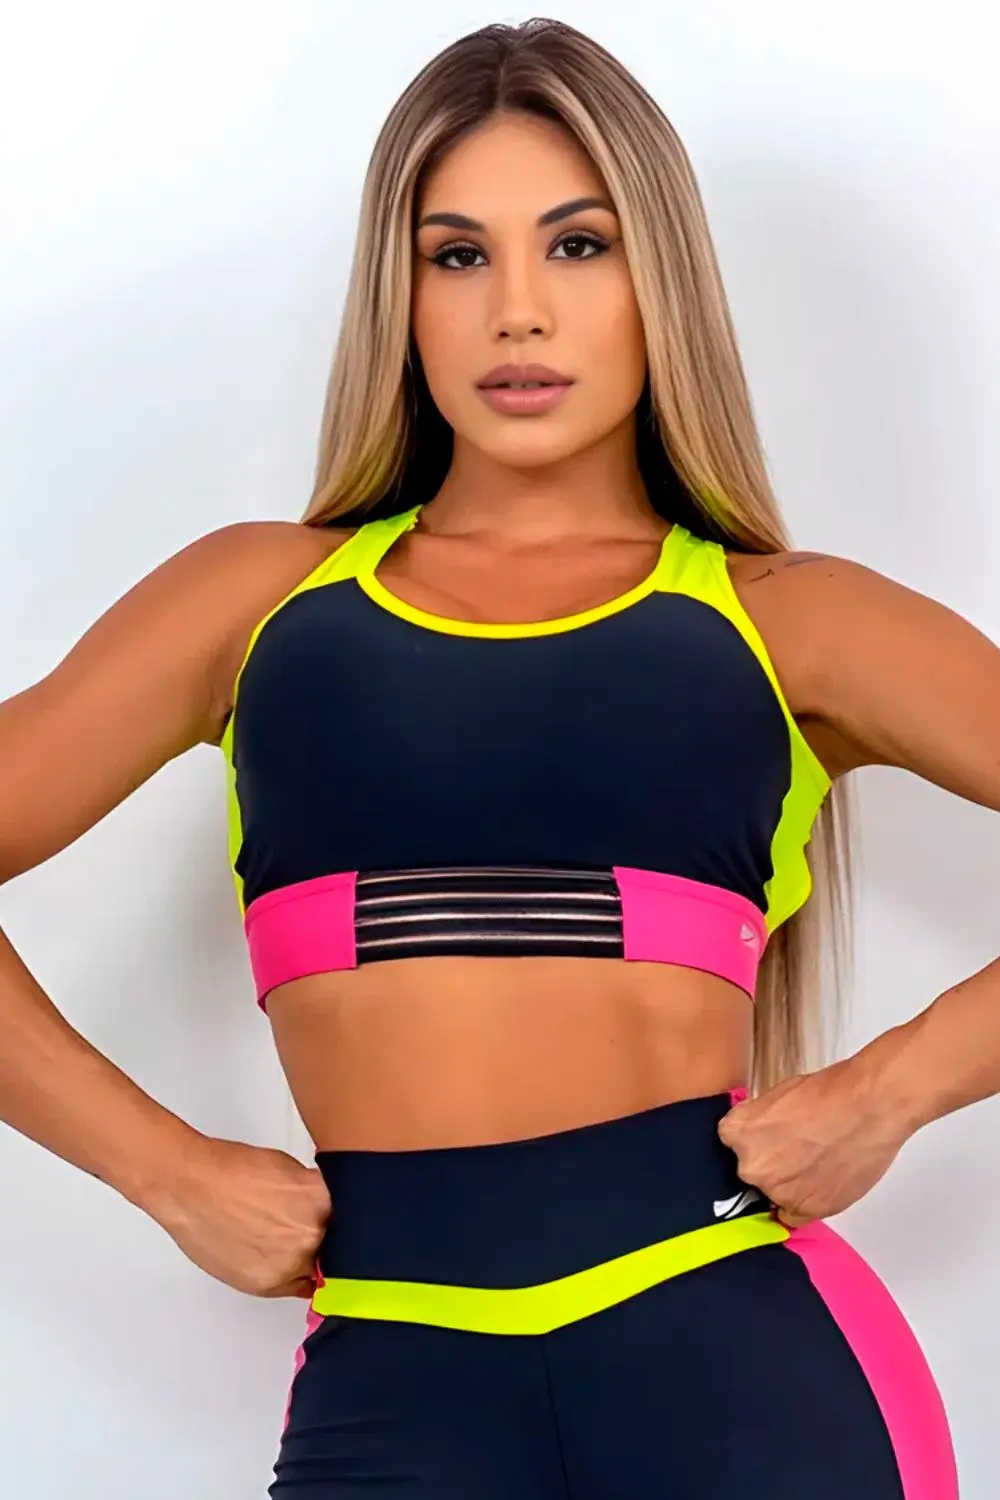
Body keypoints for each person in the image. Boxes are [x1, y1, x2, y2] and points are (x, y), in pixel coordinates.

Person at [4, 14, 997, 1497]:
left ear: (659, 280)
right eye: (457, 255)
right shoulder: (258, 604)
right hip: (392, 1385)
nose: (517, 312)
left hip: (736, 1364)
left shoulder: (791, 621)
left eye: (579, 246)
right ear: (398, 297)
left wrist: (892, 1089)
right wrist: (164, 1171)